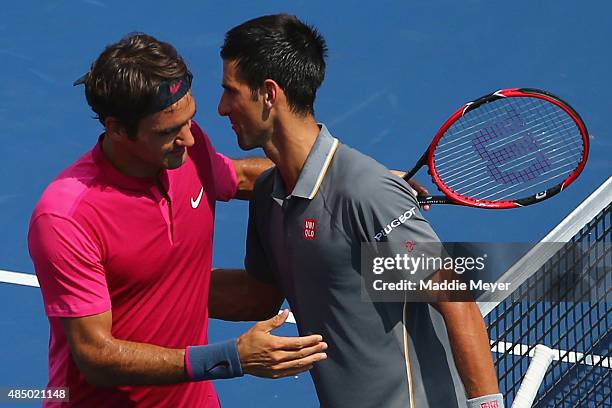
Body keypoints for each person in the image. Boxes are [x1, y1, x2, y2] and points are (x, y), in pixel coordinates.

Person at [212, 14, 504, 408]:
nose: (221, 108)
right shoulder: (270, 195)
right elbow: (255, 298)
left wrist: (486, 404)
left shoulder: (366, 192)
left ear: (268, 94)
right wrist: (143, 289)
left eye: (231, 92)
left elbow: (456, 299)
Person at [27, 33, 329, 407]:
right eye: (168, 131)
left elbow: (245, 177)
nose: (189, 138)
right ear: (118, 128)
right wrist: (231, 358)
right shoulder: (66, 217)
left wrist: (351, 181)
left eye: (190, 119)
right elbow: (96, 357)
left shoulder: (188, 150)